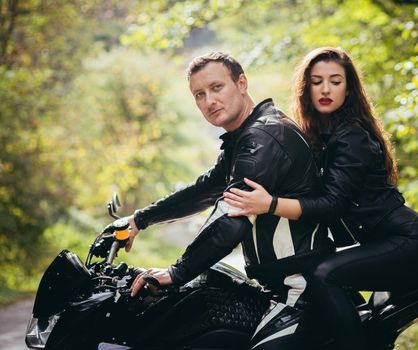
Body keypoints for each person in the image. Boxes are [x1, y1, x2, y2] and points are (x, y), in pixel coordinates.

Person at [223, 47, 418, 349]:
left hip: (415, 242)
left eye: (335, 81)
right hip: (385, 242)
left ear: (349, 88)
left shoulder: (350, 136)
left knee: (325, 274)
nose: (326, 89)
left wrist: (270, 204)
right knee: (327, 272)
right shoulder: (320, 134)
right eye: (317, 81)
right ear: (306, 88)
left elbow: (332, 205)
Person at [123, 51, 334, 349]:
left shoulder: (264, 138)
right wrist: (139, 220)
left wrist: (176, 272)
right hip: (278, 287)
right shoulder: (246, 136)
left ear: (242, 83)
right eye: (199, 94)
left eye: (216, 88)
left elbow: (230, 220)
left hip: (302, 292)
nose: (209, 101)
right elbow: (205, 190)